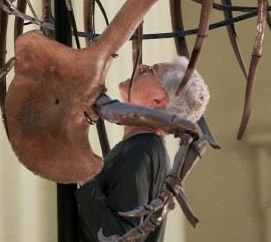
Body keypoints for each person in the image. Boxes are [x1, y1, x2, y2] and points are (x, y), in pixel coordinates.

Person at [75, 56, 210, 242]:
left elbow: (122, 238)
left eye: (151, 70)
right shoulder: (142, 148)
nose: (140, 67)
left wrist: (85, 178)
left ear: (157, 100)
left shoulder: (140, 152)